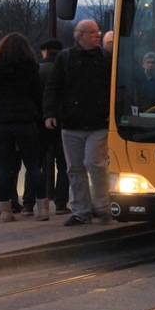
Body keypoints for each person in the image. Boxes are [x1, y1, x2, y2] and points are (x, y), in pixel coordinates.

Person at [43, 20, 112, 226]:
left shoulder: (105, 58)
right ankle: (83, 210)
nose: (97, 36)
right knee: (74, 168)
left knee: (94, 164)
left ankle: (101, 206)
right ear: (80, 35)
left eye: (97, 32)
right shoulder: (65, 58)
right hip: (72, 123)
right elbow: (53, 87)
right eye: (92, 33)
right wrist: (50, 113)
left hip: (97, 122)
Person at [0, 33, 47, 222]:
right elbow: (37, 94)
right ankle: (42, 208)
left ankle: (6, 211)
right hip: (26, 120)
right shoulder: (29, 69)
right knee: (33, 165)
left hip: (2, 122)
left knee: (4, 168)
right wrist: (37, 114)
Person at [38, 38, 70, 214]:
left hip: (41, 123)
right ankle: (60, 203)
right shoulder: (66, 71)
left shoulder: (38, 71)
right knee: (64, 164)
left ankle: (30, 203)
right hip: (63, 121)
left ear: (45, 52)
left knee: (36, 164)